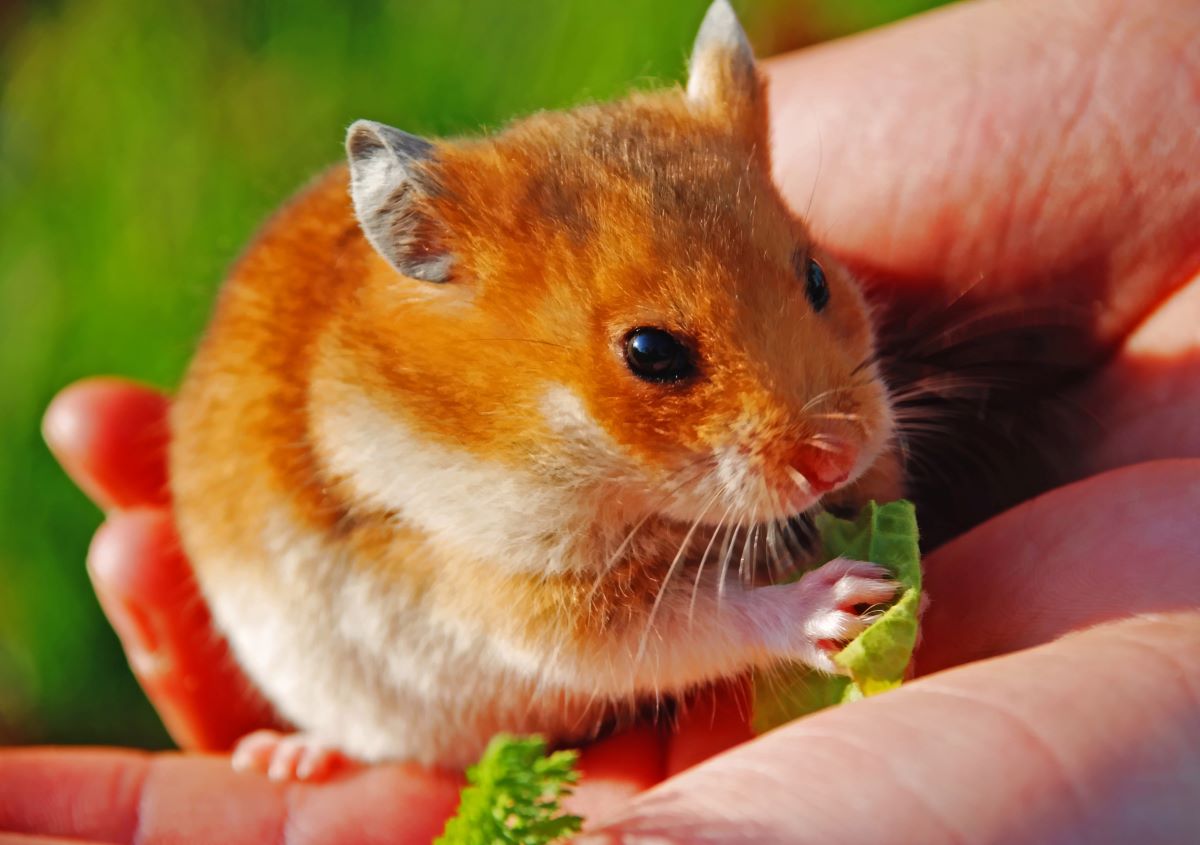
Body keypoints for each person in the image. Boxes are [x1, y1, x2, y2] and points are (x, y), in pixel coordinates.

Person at [4, 0, 1199, 840]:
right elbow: (554, 625)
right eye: (660, 359)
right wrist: (767, 617)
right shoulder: (464, 431)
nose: (825, 441)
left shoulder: (718, 188)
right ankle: (358, 746)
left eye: (813, 287)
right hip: (373, 630)